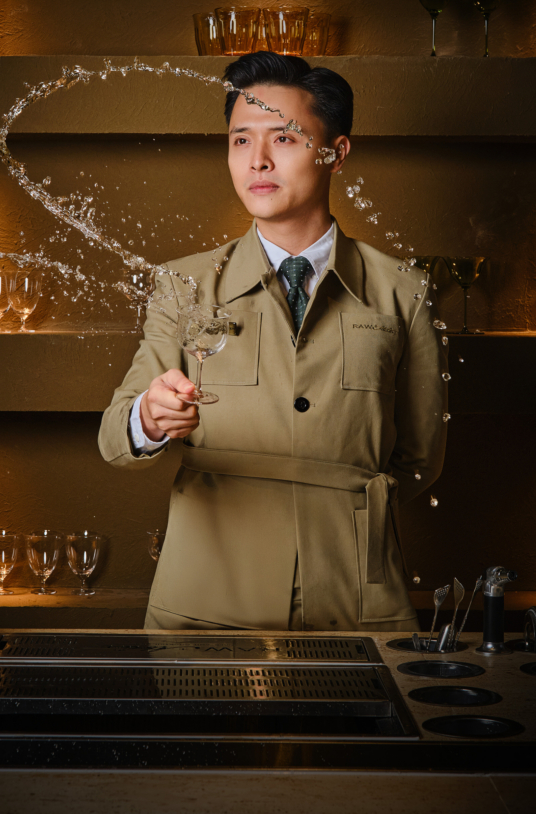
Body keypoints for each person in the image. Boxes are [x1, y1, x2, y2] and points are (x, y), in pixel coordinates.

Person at [98, 52, 447, 632]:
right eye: (240, 141)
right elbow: (115, 436)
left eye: (284, 138)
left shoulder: (403, 290)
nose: (257, 160)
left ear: (336, 152)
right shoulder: (183, 287)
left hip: (357, 602)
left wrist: (339, 508)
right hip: (206, 600)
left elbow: (420, 457)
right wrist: (149, 419)